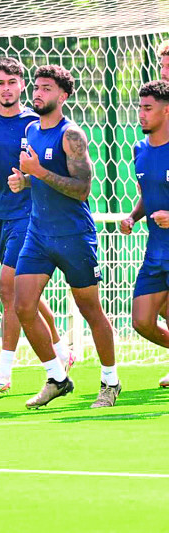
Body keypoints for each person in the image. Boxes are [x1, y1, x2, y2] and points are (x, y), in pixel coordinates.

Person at [0, 58, 72, 394]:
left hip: (32, 216)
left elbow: (55, 167)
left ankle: (4, 371)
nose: (5, 88)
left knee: (8, 287)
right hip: (0, 215)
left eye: (12, 82)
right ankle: (62, 351)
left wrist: (30, 179)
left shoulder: (37, 121)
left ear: (22, 85)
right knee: (24, 294)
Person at [8, 65, 120, 409]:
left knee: (90, 309)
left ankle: (110, 381)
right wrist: (25, 181)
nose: (38, 93)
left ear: (62, 95)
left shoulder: (71, 135)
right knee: (22, 305)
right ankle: (57, 377)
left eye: (46, 89)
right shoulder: (30, 129)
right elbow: (41, 177)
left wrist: (38, 172)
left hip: (73, 236)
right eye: (37, 87)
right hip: (38, 235)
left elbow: (83, 189)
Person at [120, 80, 169, 388]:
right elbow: (149, 194)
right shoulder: (139, 149)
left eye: (148, 108)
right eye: (139, 107)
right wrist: (133, 216)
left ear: (167, 111)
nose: (141, 114)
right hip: (156, 252)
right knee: (141, 321)